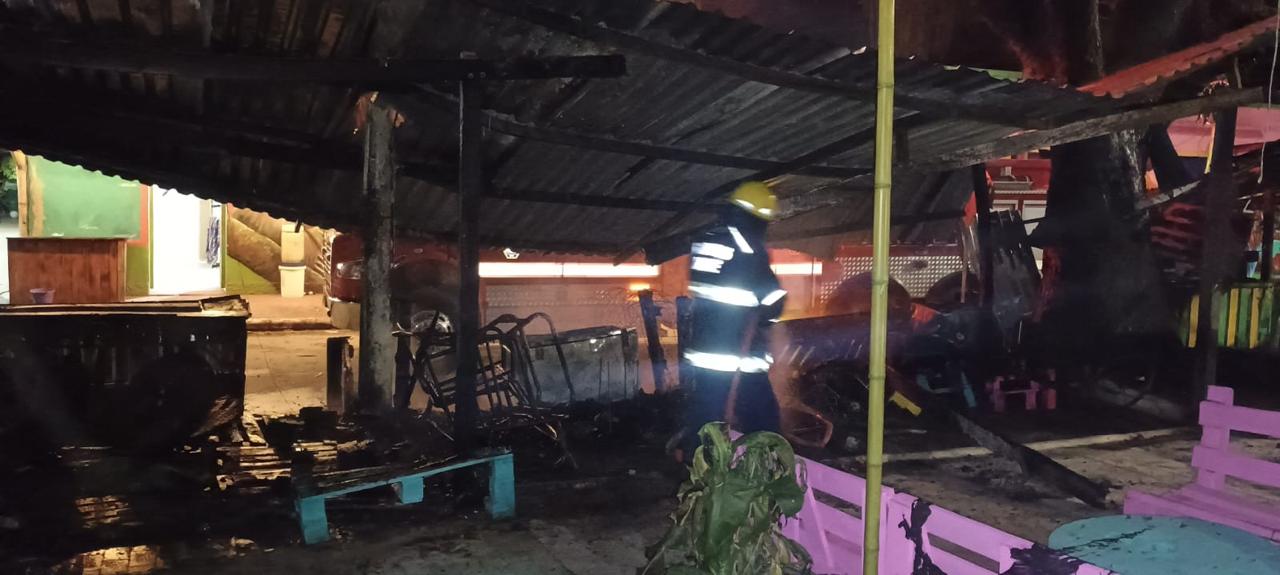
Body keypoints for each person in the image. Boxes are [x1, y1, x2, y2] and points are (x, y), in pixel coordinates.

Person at [680, 181, 786, 455]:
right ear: (757, 218)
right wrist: (769, 315)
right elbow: (772, 298)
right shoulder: (748, 246)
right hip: (740, 355)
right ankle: (767, 467)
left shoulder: (706, 239)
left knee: (706, 419)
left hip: (704, 353)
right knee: (764, 424)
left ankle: (698, 465)